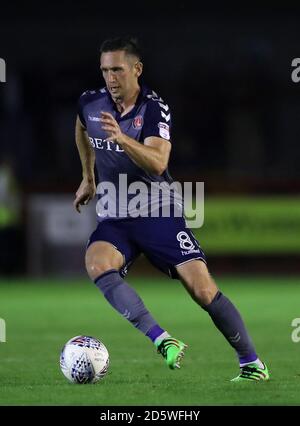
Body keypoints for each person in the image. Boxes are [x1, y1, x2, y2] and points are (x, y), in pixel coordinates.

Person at [74, 36, 269, 382]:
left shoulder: (153, 108)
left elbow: (158, 161)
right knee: (97, 262)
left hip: (157, 211)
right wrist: (88, 176)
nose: (110, 78)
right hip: (116, 216)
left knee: (202, 289)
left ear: (137, 69)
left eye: (117, 69)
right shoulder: (90, 102)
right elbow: (81, 126)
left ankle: (251, 363)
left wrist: (122, 139)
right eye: (105, 70)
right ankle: (162, 340)